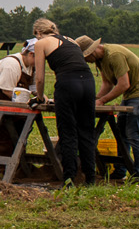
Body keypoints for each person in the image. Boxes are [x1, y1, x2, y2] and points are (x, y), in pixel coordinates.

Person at [79, 36, 139, 184]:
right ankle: (120, 171)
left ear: (92, 51)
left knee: (133, 135)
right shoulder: (100, 61)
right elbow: (107, 83)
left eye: (86, 57)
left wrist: (102, 101)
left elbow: (123, 84)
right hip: (130, 95)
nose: (86, 61)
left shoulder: (114, 55)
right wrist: (94, 100)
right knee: (121, 135)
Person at [29, 17, 97, 186]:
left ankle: (69, 179)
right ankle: (90, 179)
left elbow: (39, 78)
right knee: (86, 131)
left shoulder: (41, 43)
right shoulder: (71, 40)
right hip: (88, 82)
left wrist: (39, 97)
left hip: (67, 83)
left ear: (38, 32)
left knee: (68, 132)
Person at [0, 43, 36, 164]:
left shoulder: (32, 67)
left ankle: (19, 163)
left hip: (14, 96)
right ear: (31, 54)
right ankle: (2, 166)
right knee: (0, 128)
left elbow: (33, 87)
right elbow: (6, 90)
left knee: (21, 126)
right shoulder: (11, 65)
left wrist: (41, 97)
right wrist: (25, 102)